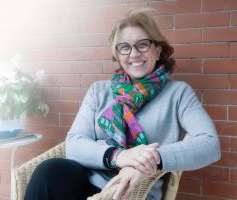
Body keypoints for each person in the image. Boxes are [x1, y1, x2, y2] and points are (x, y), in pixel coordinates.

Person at [24, 7, 221, 200]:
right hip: (90, 178)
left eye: (142, 44)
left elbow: (210, 145)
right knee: (49, 171)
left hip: (135, 190)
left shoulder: (178, 93)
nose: (133, 54)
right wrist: (119, 156)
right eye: (124, 47)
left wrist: (149, 160)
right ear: (117, 55)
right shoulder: (99, 91)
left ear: (158, 50)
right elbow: (74, 144)